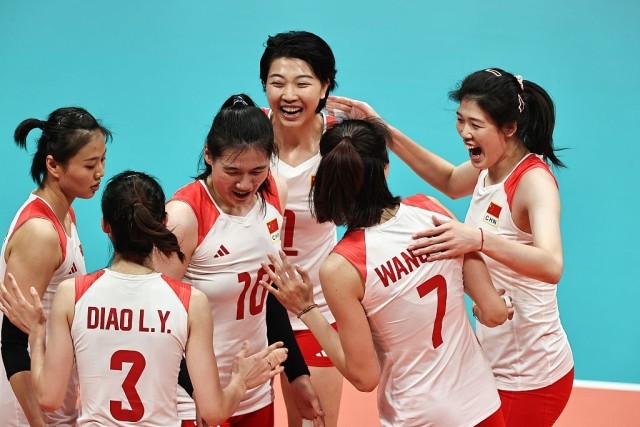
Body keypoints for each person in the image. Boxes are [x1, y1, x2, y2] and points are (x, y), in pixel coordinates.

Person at [327, 68, 573, 426]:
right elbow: (450, 181)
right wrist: (382, 130)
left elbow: (552, 265)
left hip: (529, 370)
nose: (464, 132)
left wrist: (478, 239)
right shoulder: (491, 163)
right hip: (495, 358)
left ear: (509, 127)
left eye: (476, 124)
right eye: (460, 120)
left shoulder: (533, 181)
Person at [261, 119, 514, 426]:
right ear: (386, 168)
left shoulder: (342, 266)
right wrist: (482, 309)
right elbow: (494, 312)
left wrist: (306, 308)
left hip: (417, 416)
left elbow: (365, 377)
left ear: (330, 176)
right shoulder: (431, 209)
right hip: (481, 402)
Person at [0, 170, 288, 426]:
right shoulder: (190, 301)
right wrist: (240, 380)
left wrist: (37, 332)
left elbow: (49, 398)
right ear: (163, 222)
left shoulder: (72, 293)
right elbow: (213, 412)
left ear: (105, 225)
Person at [155, 94, 322, 426]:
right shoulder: (184, 216)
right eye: (232, 171)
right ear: (208, 155)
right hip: (191, 398)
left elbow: (268, 294)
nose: (246, 184)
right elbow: (159, 320)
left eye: (258, 170)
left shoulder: (275, 193)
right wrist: (200, 395)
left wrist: (297, 375)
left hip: (255, 388)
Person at [0, 107, 109, 426]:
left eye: (102, 160)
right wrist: (37, 422)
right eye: (89, 165)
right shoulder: (40, 233)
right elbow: (12, 343)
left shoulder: (65, 214)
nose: (100, 172)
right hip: (27, 405)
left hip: (53, 392)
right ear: (53, 165)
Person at [259, 30, 341, 427]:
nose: (288, 95)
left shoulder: (341, 144)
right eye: (277, 83)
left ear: (325, 87)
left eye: (302, 83)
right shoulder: (247, 134)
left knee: (316, 422)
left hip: (313, 308)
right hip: (247, 308)